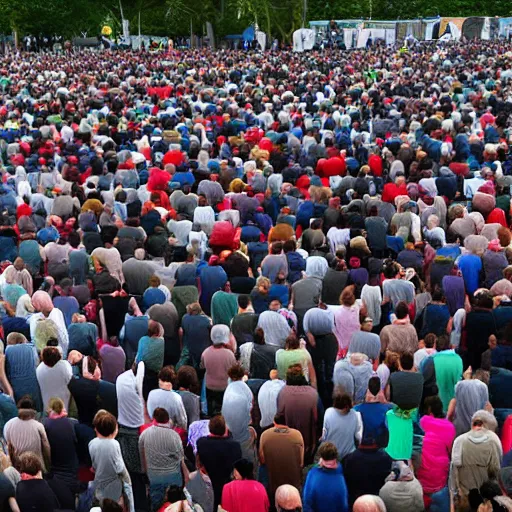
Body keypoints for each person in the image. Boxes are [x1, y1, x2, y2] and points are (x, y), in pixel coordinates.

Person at [139, 407, 186, 511]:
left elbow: (142, 458)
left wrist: (145, 473)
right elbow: (180, 456)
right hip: (173, 476)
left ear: (154, 419)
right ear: (168, 419)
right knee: (175, 506)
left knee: (156, 505)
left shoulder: (145, 434)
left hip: (154, 477)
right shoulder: (174, 436)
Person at [451, 412, 502, 504]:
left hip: (465, 497)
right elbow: (495, 471)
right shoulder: (494, 440)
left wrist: (454, 497)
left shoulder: (459, 440)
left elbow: (453, 474)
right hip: (485, 498)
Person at [89, 410, 134, 512]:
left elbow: (94, 465)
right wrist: (128, 481)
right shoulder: (114, 444)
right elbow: (120, 468)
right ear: (113, 429)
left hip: (100, 486)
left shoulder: (92, 443)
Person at [416, 395, 455, 511]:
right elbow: (450, 451)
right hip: (440, 474)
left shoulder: (423, 421)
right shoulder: (450, 427)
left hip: (423, 469)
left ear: (429, 409)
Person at [196, 415, 242, 511]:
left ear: (210, 429)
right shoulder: (235, 446)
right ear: (225, 429)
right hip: (228, 487)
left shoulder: (201, 443)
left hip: (208, 486)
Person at [277, 365, 318, 462]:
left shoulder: (282, 393)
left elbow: (279, 416)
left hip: (289, 442)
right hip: (308, 443)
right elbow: (319, 418)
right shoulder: (313, 393)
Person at [260, 414, 304, 502]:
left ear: (274, 423)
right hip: (293, 483)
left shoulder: (265, 435)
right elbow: (301, 463)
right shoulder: (297, 435)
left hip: (273, 482)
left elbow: (262, 460)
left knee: (262, 469)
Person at [42, 397, 79, 493]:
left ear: (49, 409)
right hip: (72, 467)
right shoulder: (73, 423)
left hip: (55, 468)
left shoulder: (45, 425)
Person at [4, 396, 51, 471]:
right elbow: (46, 445)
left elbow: (8, 446)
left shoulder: (8, 425)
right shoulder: (38, 426)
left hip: (18, 466)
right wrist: (49, 462)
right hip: (37, 466)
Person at [221, 364, 256, 464]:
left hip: (228, 431)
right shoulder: (247, 390)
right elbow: (250, 408)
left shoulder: (229, 386)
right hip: (243, 434)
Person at [343, 438, 392, 507]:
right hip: (377, 498)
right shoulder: (385, 458)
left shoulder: (349, 458)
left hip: (355, 498)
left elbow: (346, 478)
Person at [201, 325, 236, 416]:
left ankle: (208, 411)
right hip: (225, 387)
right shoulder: (229, 354)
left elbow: (202, 366)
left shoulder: (205, 352)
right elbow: (234, 369)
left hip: (210, 386)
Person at [303, 442, 349, 512]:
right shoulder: (341, 475)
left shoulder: (312, 474)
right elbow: (344, 505)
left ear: (321, 456)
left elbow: (307, 501)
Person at [354, 377, 392, 448]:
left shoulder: (357, 409)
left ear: (368, 389)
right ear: (380, 390)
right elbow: (397, 408)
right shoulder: (387, 409)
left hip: (363, 444)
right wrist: (385, 401)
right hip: (380, 445)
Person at [322, 393, 362, 460]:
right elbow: (359, 437)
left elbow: (324, 435)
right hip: (349, 455)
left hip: (330, 454)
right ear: (347, 406)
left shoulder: (328, 412)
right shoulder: (355, 415)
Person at [146, 366, 188, 430]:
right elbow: (182, 421)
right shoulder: (176, 398)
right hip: (170, 431)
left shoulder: (151, 393)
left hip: (153, 428)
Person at [36, 346, 73, 411]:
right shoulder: (64, 365)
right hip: (64, 398)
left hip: (47, 401)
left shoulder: (39, 368)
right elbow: (70, 381)